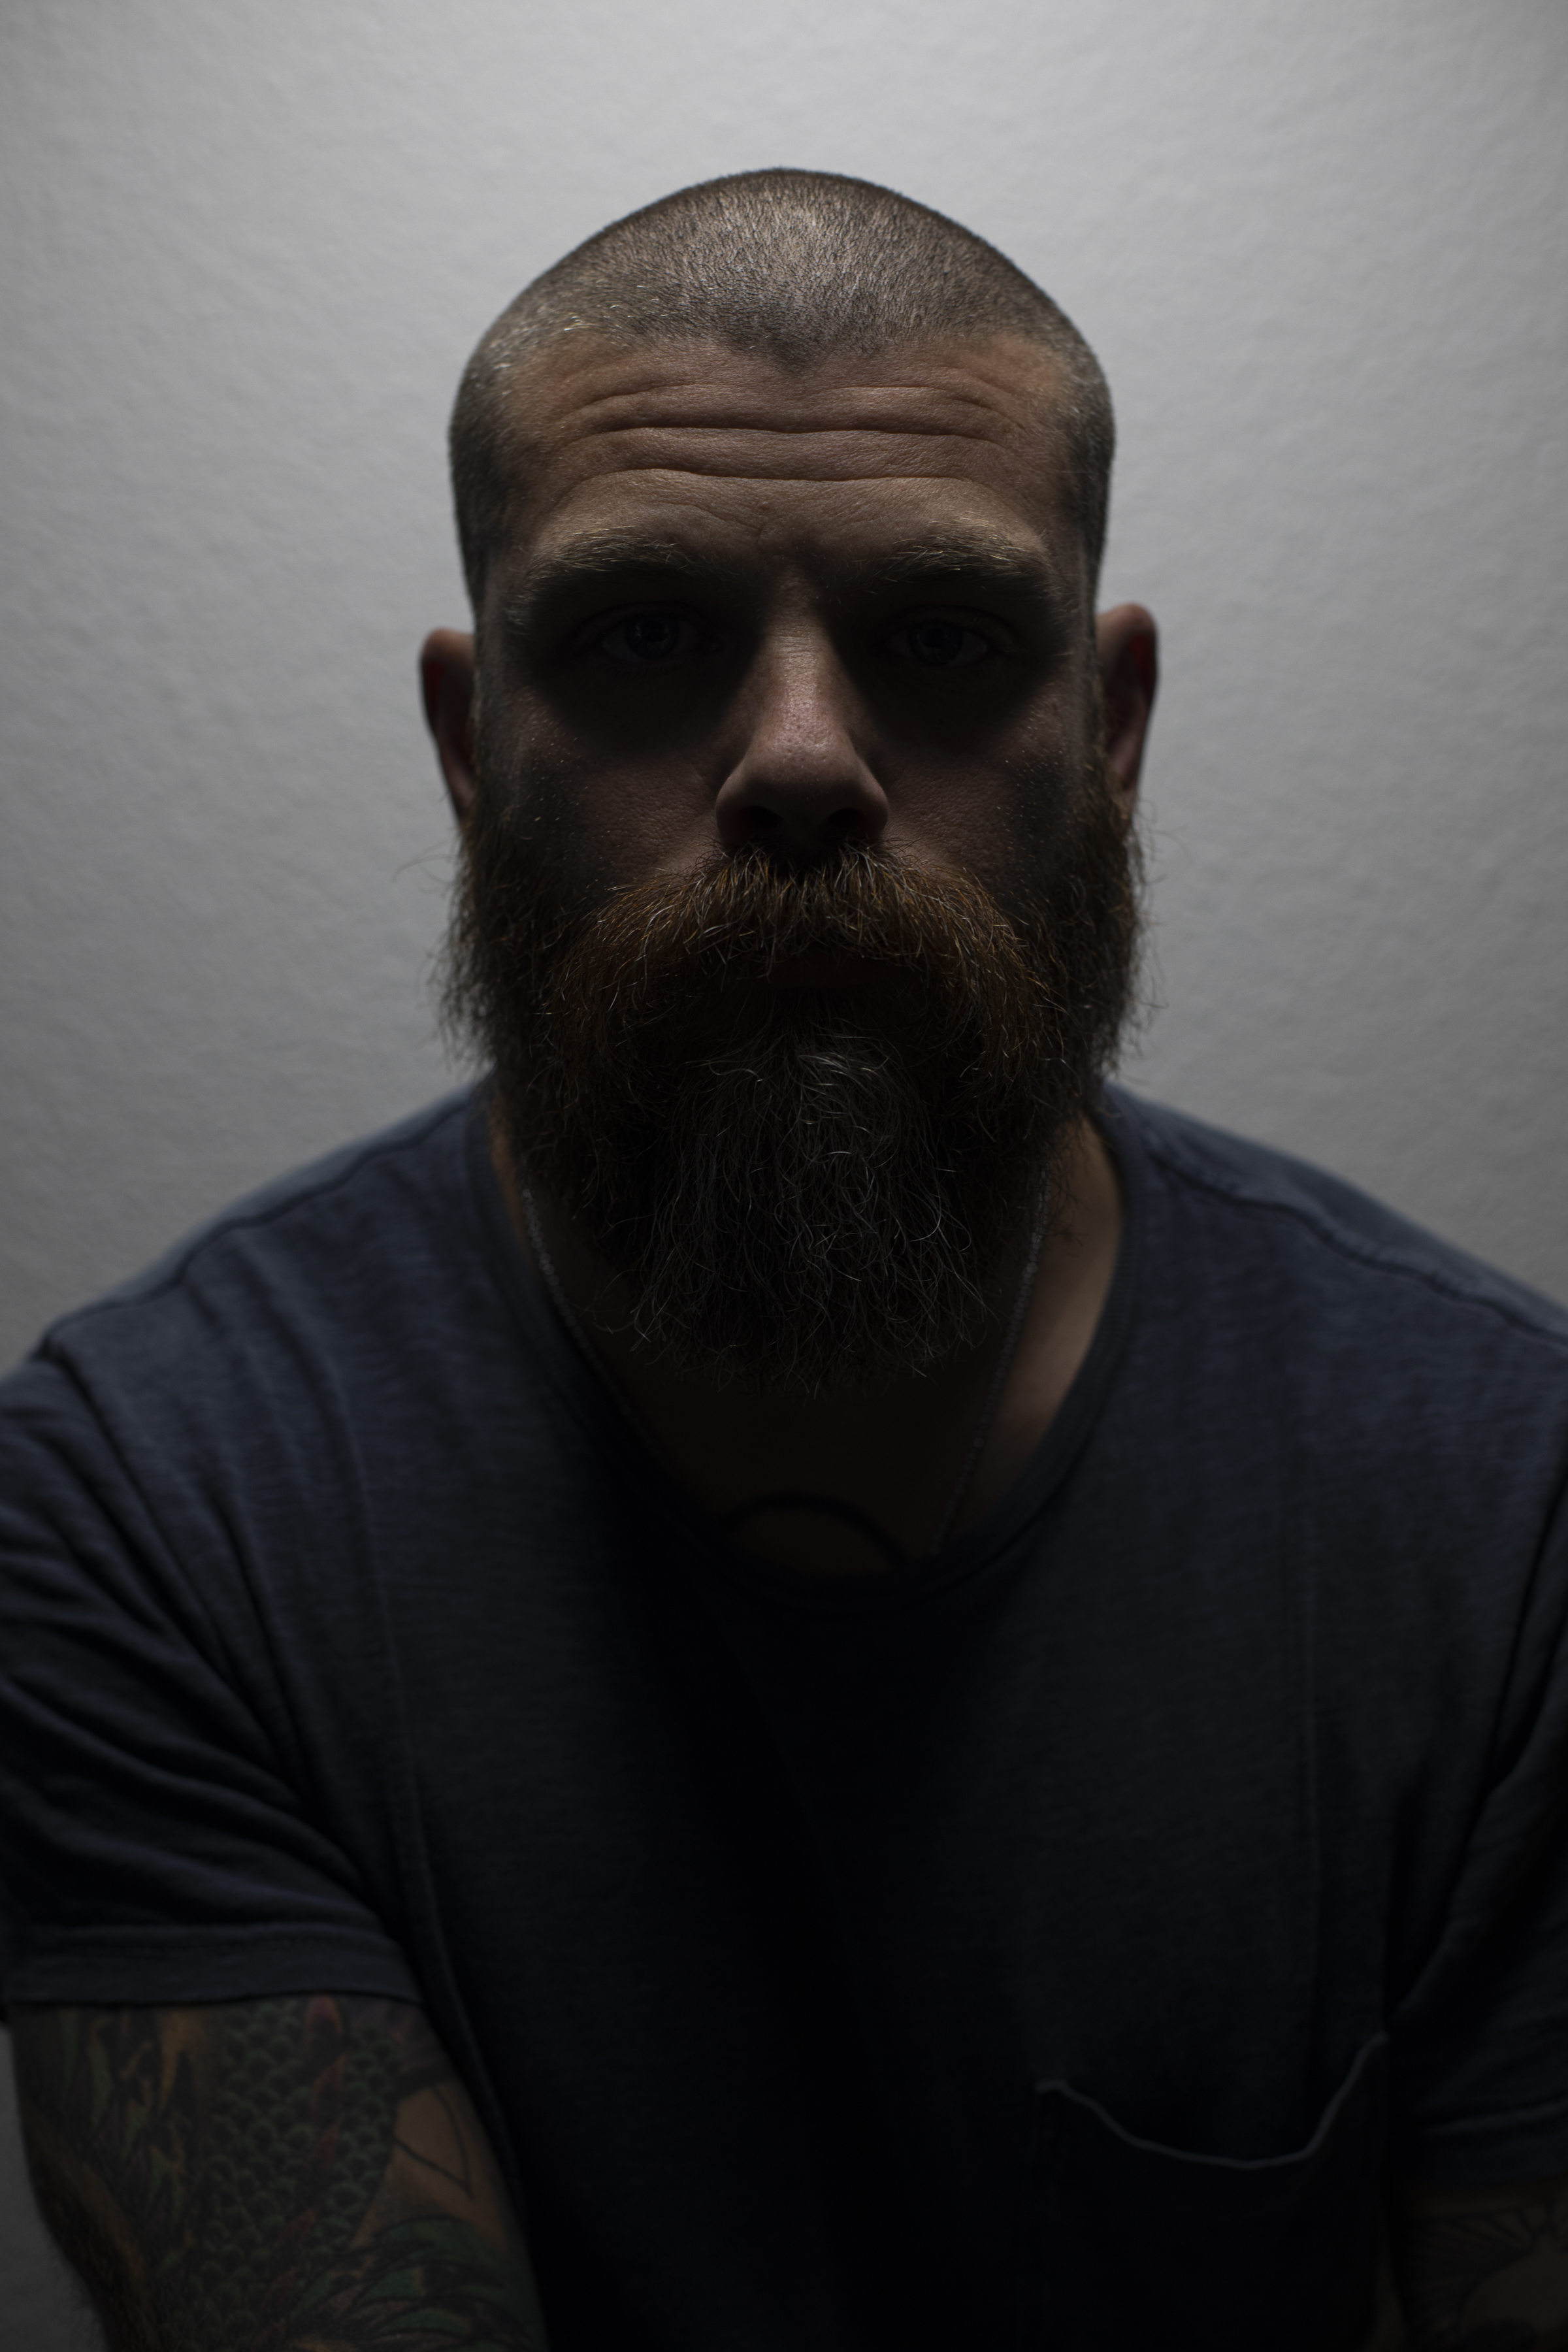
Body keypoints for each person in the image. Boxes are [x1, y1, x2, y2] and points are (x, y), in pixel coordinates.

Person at [3, 169, 1567, 2352]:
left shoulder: (1508, 1506)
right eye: (646, 635)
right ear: (471, 743)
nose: (804, 765)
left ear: (1113, 730)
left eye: (943, 637)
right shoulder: (150, 1510)